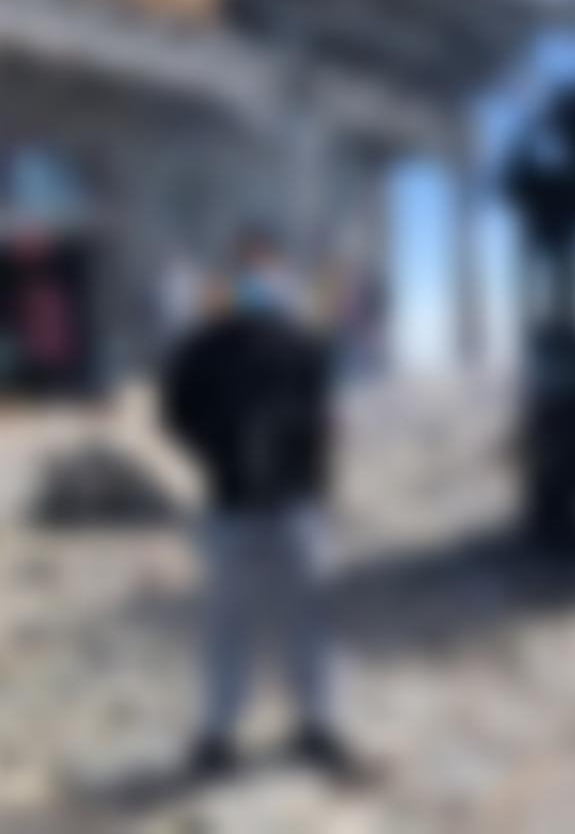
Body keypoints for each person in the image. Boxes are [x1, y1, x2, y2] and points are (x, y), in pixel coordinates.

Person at [162, 225, 368, 785]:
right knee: (227, 623)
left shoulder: (302, 344)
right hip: (229, 502)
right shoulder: (205, 346)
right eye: (250, 268)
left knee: (308, 617)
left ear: (281, 274)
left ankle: (318, 724)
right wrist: (220, 448)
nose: (260, 278)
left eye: (267, 267)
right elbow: (175, 413)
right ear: (235, 276)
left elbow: (326, 419)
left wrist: (307, 466)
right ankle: (219, 732)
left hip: (297, 501)